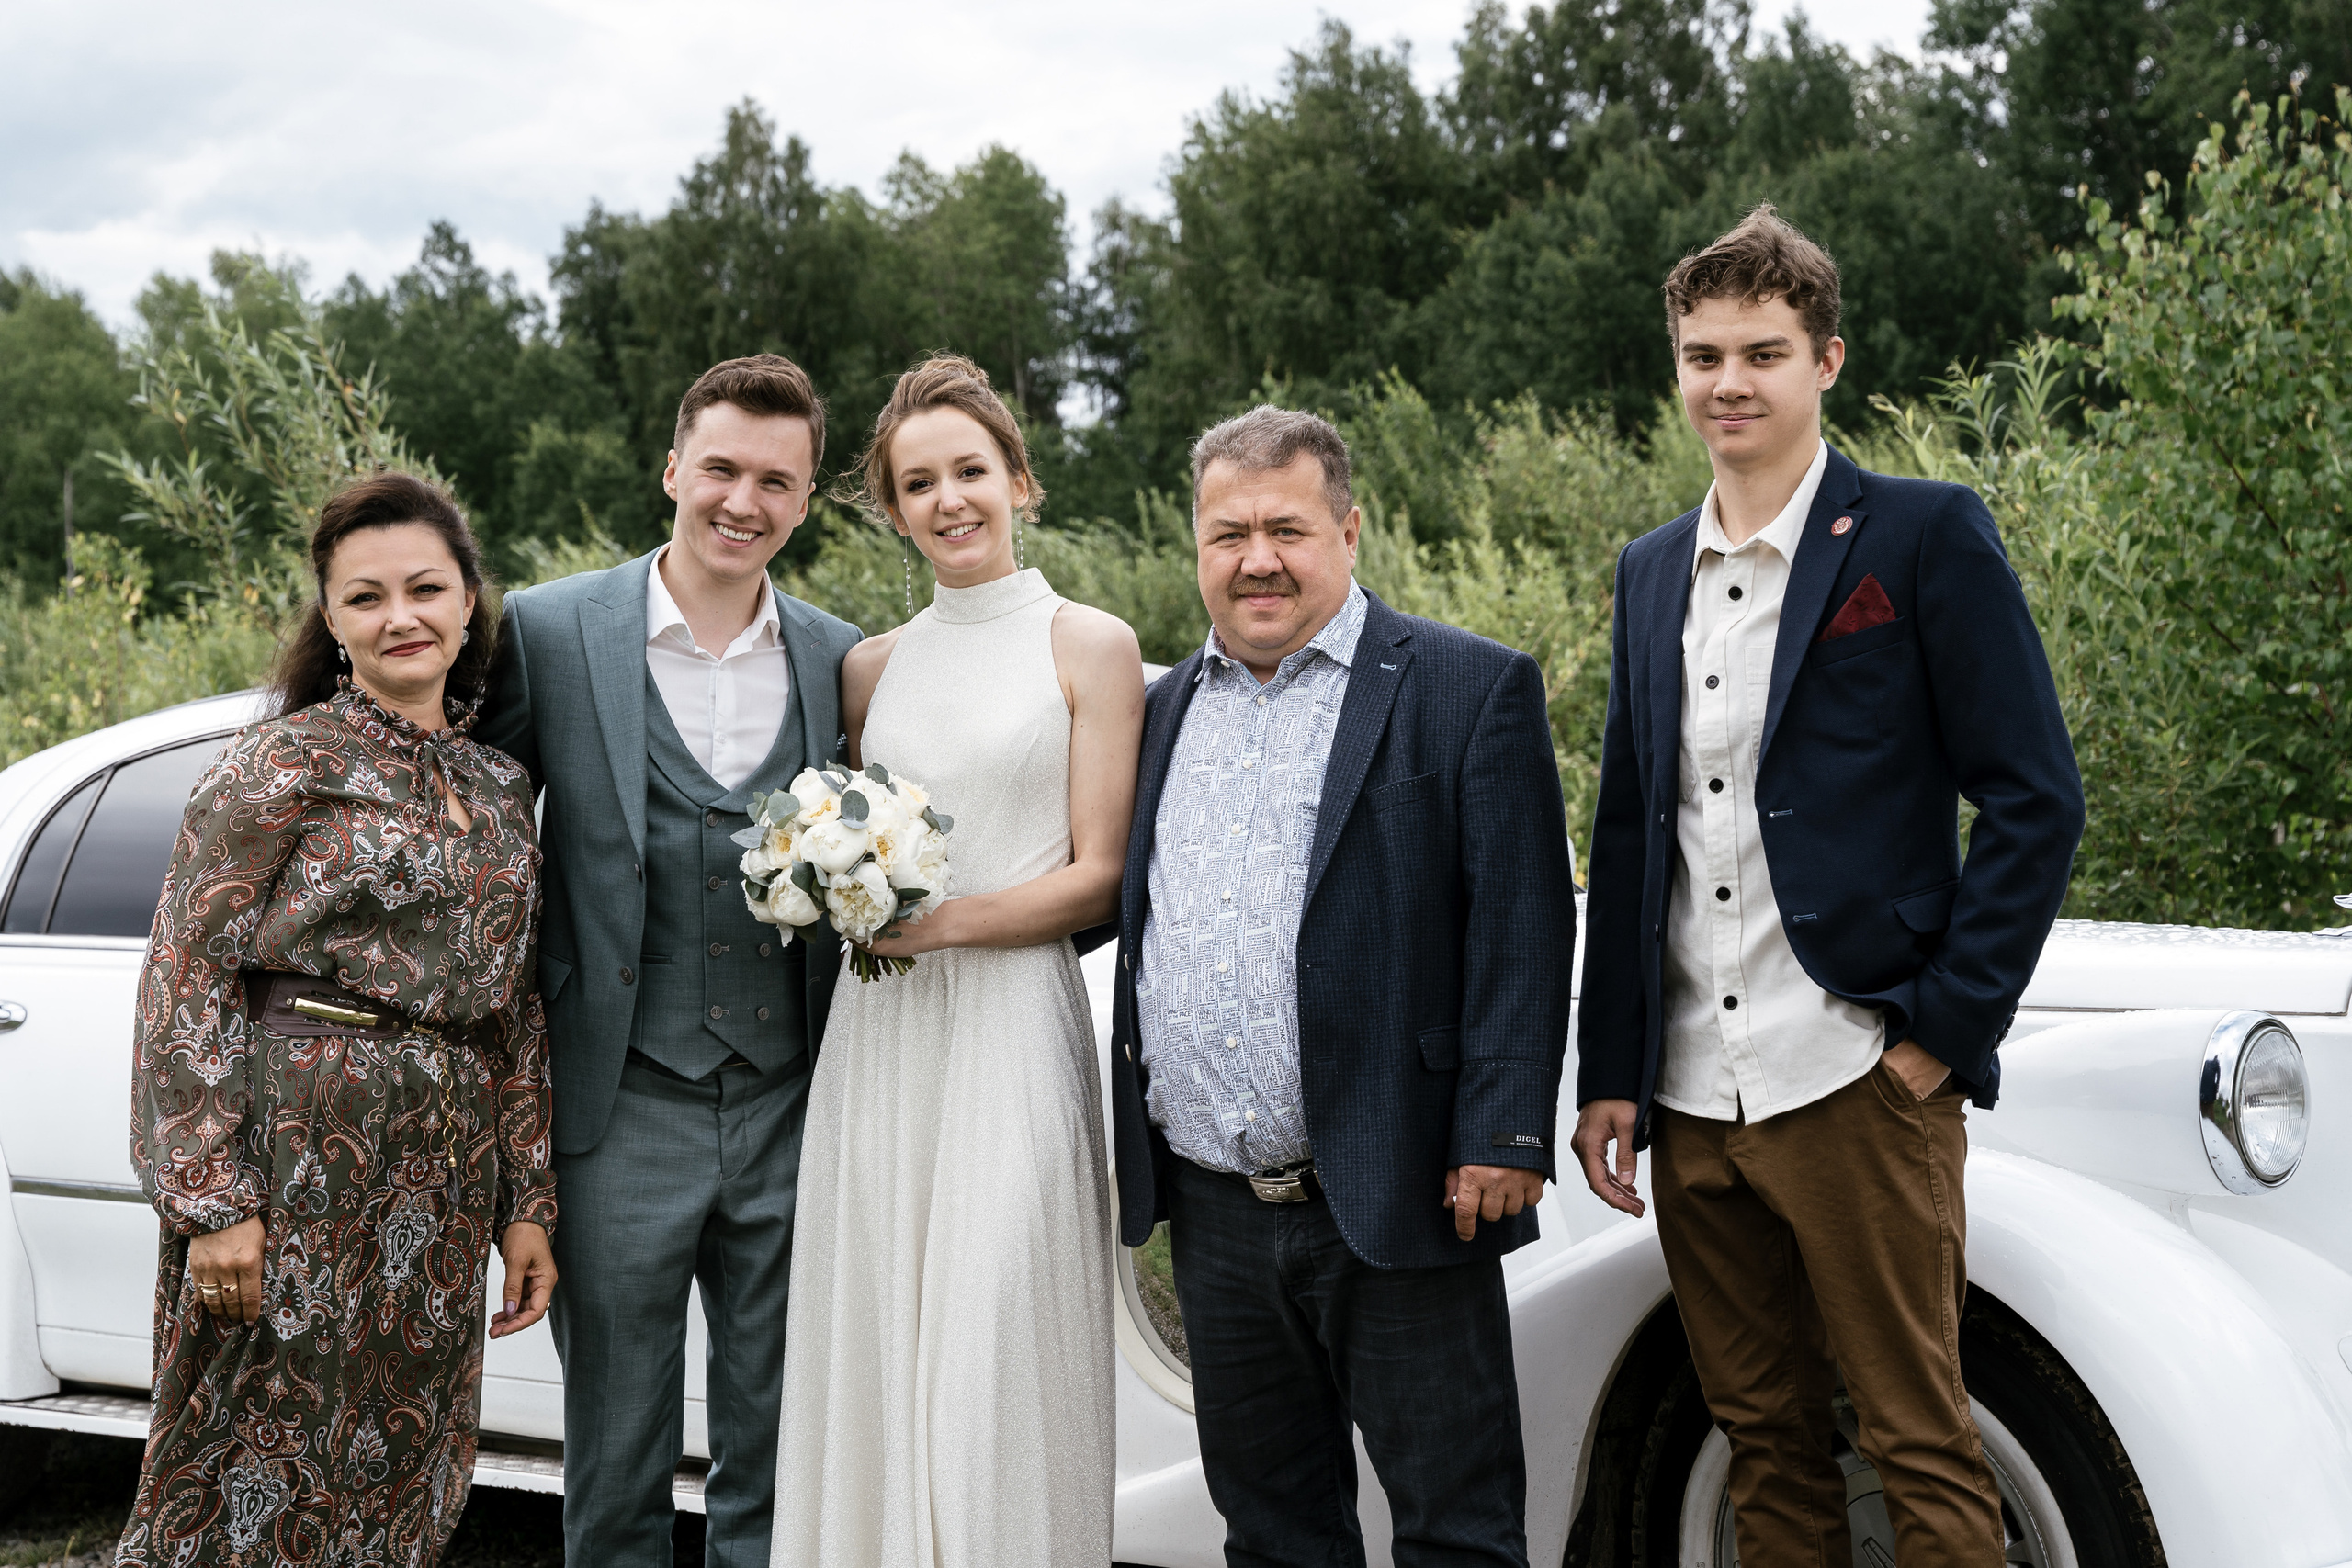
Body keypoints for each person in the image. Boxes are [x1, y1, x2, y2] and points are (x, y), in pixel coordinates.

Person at [1569, 207, 2085, 1568]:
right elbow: (1630, 829)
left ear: (1827, 361)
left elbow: (2035, 797)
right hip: (1691, 1093)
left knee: (1918, 1434)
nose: (1727, 382)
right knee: (1763, 1440)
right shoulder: (1648, 570)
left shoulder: (1921, 534)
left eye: (1763, 352)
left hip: (1857, 1074)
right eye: (1703, 355)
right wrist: (1609, 1070)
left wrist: (1941, 1034)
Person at [1104, 406, 1576, 1568]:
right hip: (1213, 1208)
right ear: (1196, 546)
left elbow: (1523, 922)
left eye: (1287, 530)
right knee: (1272, 1537)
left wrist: (1504, 1131)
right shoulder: (1154, 714)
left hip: (1406, 1181)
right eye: (1228, 535)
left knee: (1456, 1532)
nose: (1256, 560)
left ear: (1349, 533)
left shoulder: (1466, 686)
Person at [116, 472, 558, 1568]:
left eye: (425, 589)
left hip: (441, 1177)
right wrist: (213, 1200)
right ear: (332, 617)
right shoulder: (281, 765)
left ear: (467, 602)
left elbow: (513, 1009)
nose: (401, 616)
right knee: (250, 1460)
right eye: (367, 597)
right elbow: (186, 974)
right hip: (291, 1158)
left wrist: (527, 1203)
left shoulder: (501, 786)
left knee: (399, 1459)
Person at [476, 355, 862, 1566]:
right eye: (722, 469)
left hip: (793, 1103)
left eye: (775, 481)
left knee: (781, 1447)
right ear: (673, 468)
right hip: (617, 1104)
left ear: (805, 501)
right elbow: (472, 837)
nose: (743, 501)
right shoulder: (548, 628)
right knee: (616, 1453)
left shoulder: (839, 656)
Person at [769, 354, 1144, 1567]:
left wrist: (938, 924)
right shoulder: (871, 667)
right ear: (892, 508)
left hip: (1009, 1026)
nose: (949, 499)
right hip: (882, 1036)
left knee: (993, 1339)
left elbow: (1100, 872)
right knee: (880, 1332)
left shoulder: (1089, 645)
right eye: (918, 483)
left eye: (969, 470)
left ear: (1018, 479)